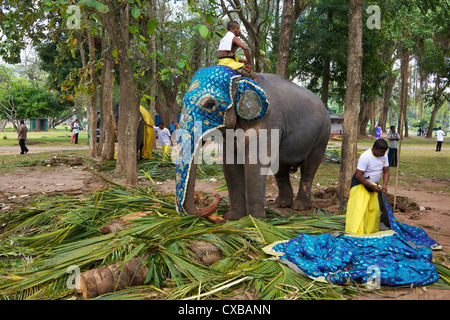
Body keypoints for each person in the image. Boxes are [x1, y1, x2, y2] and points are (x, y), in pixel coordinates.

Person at [345, 139, 390, 235]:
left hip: (373, 185)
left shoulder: (384, 155)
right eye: (382, 152)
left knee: (373, 210)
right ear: (375, 149)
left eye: (385, 152)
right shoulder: (365, 157)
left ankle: (370, 232)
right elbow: (358, 175)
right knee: (358, 209)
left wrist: (385, 184)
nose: (383, 154)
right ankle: (355, 233)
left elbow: (386, 171)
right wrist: (369, 185)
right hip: (360, 184)